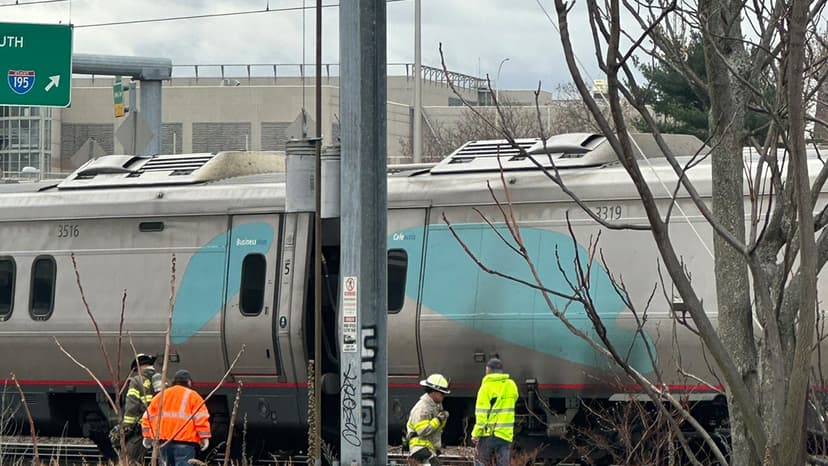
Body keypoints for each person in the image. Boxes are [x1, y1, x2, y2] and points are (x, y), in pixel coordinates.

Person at [141, 369, 211, 466]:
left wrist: (147, 436)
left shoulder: (161, 395)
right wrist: (204, 438)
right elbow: (201, 419)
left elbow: (147, 417)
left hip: (163, 442)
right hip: (185, 442)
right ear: (189, 382)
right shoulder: (193, 396)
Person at [113, 353, 163, 465]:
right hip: (163, 430)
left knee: (130, 459)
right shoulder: (165, 381)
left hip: (142, 430)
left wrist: (125, 428)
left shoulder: (136, 381)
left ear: (139, 367)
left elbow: (132, 408)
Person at [471, 356, 519, 466]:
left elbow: (481, 415)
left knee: (479, 462)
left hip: (490, 433)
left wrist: (475, 433)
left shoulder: (486, 388)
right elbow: (514, 399)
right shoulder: (511, 385)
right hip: (506, 434)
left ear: (488, 370)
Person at [405, 373, 451, 465]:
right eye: (442, 393)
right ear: (433, 392)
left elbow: (437, 429)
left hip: (427, 448)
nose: (443, 396)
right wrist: (439, 419)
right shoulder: (423, 408)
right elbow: (423, 430)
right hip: (420, 448)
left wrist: (442, 419)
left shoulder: (435, 406)